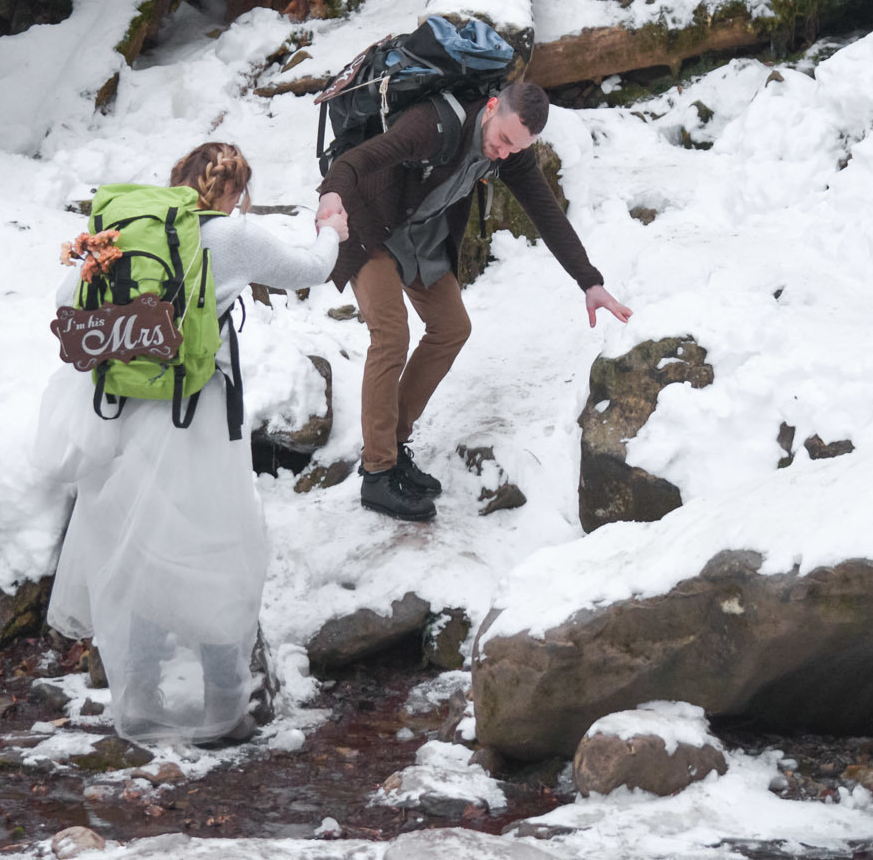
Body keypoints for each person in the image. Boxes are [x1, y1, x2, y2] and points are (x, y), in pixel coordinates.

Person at [41, 142, 345, 743]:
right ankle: (222, 706)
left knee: (148, 545)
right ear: (233, 193)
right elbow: (313, 270)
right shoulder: (230, 237)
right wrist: (331, 228)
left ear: (178, 180)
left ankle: (145, 696)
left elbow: (63, 301)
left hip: (129, 412)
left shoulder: (132, 229)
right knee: (212, 546)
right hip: (197, 413)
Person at [316, 79, 631, 521]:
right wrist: (331, 198)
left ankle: (391, 442)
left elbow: (547, 212)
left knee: (452, 328)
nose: (503, 154)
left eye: (514, 148)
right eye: (502, 140)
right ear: (490, 107)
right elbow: (354, 161)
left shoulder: (509, 153)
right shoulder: (432, 126)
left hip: (419, 234)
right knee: (390, 334)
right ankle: (377, 473)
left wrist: (589, 282)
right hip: (365, 222)